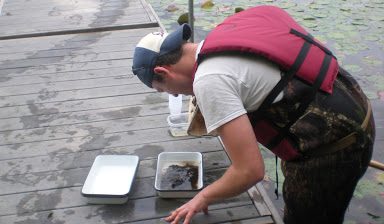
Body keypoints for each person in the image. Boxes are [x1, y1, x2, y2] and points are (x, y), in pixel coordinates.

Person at [132, 5, 375, 224]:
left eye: (162, 89)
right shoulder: (220, 39)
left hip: (335, 147)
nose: (173, 96)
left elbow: (250, 170)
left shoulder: (209, 80)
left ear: (163, 71)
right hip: (355, 107)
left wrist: (203, 196)